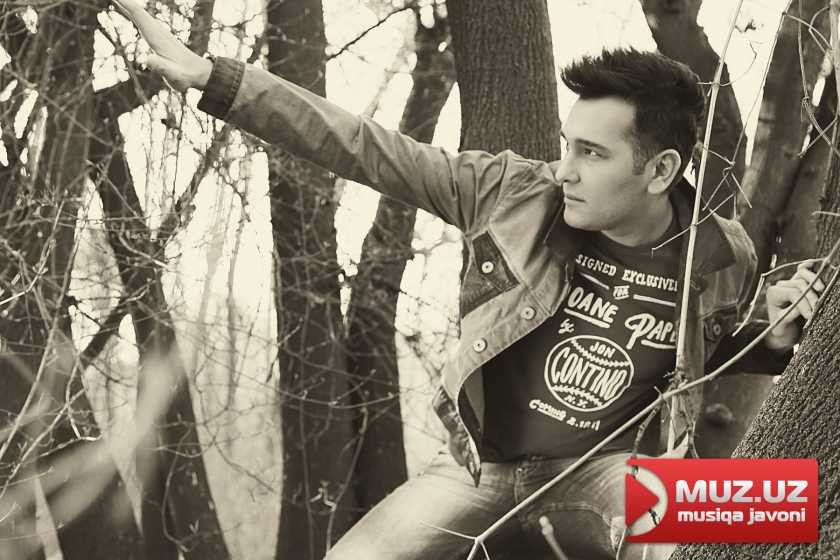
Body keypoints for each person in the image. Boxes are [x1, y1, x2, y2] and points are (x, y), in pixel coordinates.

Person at [112, 1, 824, 558]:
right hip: (481, 472)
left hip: (606, 473)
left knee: (782, 502)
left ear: (661, 170)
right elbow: (362, 146)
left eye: (592, 154)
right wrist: (218, 80)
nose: (566, 169)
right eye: (568, 145)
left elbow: (710, 351)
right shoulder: (510, 194)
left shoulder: (717, 255)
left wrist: (774, 336)